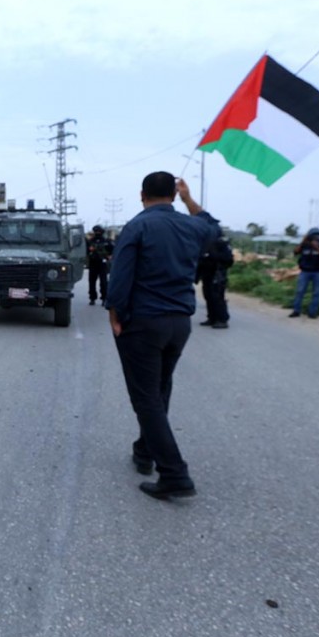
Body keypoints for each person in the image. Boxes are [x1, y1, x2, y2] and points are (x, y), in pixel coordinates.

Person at [105, 172, 218, 501]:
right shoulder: (192, 225)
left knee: (146, 398)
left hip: (143, 322)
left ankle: (174, 473)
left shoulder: (138, 226)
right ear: (173, 193)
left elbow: (121, 275)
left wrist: (115, 315)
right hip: (179, 323)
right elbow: (212, 226)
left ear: (142, 195)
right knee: (159, 388)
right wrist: (188, 199)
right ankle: (145, 451)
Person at [289, 227, 319, 319]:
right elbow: (295, 252)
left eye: (318, 236)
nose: (316, 238)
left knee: (316, 292)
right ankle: (296, 310)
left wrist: (316, 246)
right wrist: (303, 241)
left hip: (318, 271)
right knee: (300, 291)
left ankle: (312, 312)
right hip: (305, 271)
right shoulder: (304, 245)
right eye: (314, 236)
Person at [196, 225, 233, 328]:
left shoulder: (220, 244)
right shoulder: (205, 244)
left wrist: (212, 256)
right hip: (207, 274)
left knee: (217, 297)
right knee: (208, 296)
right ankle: (212, 318)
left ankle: (222, 319)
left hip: (217, 275)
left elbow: (227, 260)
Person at [86, 225, 113, 305]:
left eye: (99, 231)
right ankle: (92, 298)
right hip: (93, 263)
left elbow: (112, 250)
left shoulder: (106, 241)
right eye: (96, 231)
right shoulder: (90, 241)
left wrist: (109, 256)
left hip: (102, 263)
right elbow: (86, 251)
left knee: (103, 282)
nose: (97, 233)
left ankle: (104, 298)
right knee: (92, 282)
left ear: (102, 232)